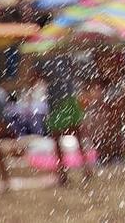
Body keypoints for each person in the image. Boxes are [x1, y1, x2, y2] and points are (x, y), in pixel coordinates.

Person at [31, 52, 94, 185]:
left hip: (56, 99)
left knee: (56, 137)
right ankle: (86, 169)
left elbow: (36, 79)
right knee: (77, 135)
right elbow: (72, 69)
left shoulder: (39, 56)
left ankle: (62, 173)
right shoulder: (62, 50)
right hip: (70, 96)